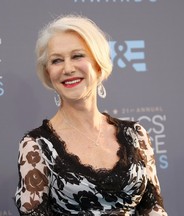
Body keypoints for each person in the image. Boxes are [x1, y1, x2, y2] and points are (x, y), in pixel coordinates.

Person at [14, 14, 167, 216]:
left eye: (77, 56)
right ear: (48, 72)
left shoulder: (135, 135)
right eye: (57, 60)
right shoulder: (37, 146)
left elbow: (153, 208)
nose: (68, 69)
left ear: (98, 62)